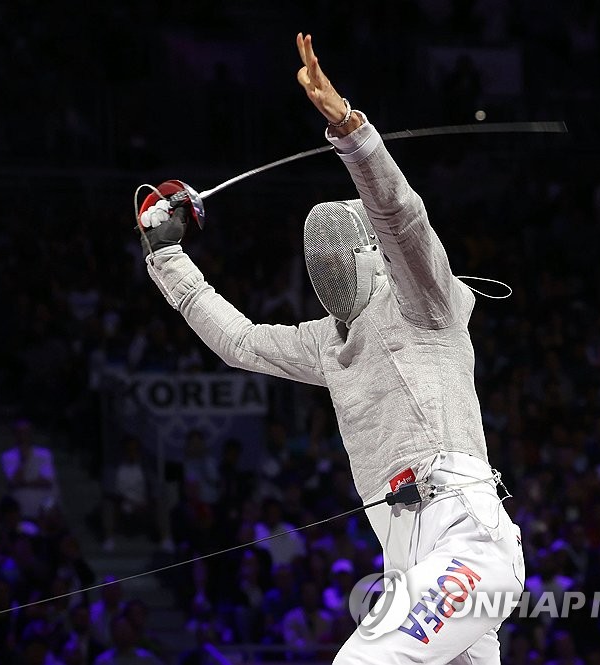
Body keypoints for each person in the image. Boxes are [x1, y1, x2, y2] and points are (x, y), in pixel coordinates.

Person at [136, 32, 525, 663]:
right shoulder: (327, 342)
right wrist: (167, 258)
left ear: (373, 257)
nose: (327, 270)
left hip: (467, 544)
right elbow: (239, 341)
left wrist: (351, 130)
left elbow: (401, 217)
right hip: (413, 567)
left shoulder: (423, 305)